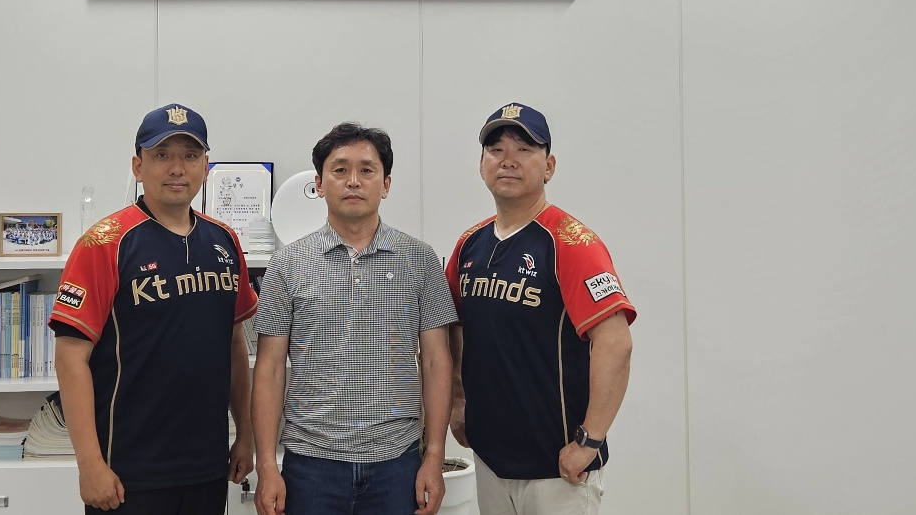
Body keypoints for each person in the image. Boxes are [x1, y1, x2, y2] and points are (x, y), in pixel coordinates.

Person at [50, 103, 257, 514]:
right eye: (162, 154)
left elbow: (235, 343)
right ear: (138, 166)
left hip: (207, 465)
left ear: (205, 167)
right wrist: (89, 464)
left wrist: (246, 435)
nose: (177, 168)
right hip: (128, 472)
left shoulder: (225, 241)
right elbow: (70, 360)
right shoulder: (104, 243)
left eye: (190, 155)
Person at [252, 122, 458, 515]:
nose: (353, 181)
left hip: (396, 462)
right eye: (340, 169)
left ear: (386, 184)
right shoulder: (288, 264)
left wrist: (434, 455)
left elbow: (436, 361)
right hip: (310, 463)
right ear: (319, 183)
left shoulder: (420, 259)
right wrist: (266, 466)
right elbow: (270, 368)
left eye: (367, 170)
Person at [446, 103, 636, 515]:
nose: (508, 160)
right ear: (481, 165)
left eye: (524, 149)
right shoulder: (468, 245)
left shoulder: (572, 243)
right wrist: (457, 400)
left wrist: (590, 441)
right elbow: (453, 328)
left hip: (558, 468)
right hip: (491, 457)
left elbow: (616, 343)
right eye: (496, 149)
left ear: (548, 166)